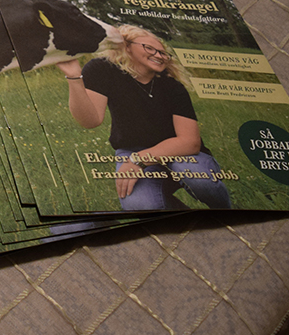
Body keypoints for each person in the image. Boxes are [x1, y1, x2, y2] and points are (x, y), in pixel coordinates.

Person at [57, 24, 232, 211]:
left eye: (163, 53)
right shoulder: (102, 69)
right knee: (140, 206)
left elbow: (190, 142)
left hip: (179, 153)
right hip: (131, 150)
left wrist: (138, 160)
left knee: (198, 179)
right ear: (126, 46)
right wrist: (74, 78)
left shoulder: (172, 86)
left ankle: (225, 211)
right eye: (149, 48)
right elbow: (90, 121)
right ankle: (187, 220)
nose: (159, 55)